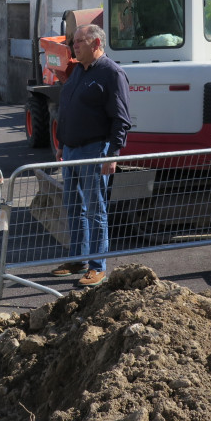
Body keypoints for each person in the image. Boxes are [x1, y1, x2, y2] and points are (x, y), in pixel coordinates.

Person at [50, 24, 131, 286]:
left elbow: (121, 119)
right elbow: (66, 108)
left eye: (79, 42)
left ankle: (97, 266)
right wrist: (62, 143)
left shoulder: (111, 73)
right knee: (74, 207)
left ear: (96, 44)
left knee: (96, 210)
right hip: (72, 150)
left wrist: (113, 153)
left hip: (95, 150)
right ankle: (78, 259)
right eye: (74, 42)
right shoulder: (78, 72)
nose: (74, 46)